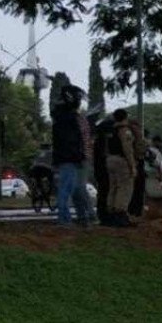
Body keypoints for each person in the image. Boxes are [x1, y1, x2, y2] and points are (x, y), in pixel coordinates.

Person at [50, 85, 93, 227]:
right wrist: (78, 156)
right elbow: (73, 141)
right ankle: (65, 219)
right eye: (78, 99)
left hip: (65, 157)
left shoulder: (61, 117)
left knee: (69, 188)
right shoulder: (70, 119)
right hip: (70, 158)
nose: (79, 102)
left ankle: (73, 218)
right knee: (67, 189)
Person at [105, 109, 137, 227]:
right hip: (121, 161)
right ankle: (120, 214)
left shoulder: (111, 130)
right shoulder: (125, 130)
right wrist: (132, 166)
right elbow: (127, 149)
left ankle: (111, 212)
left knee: (113, 187)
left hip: (110, 159)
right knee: (124, 187)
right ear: (125, 117)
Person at [127, 119, 148, 217]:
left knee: (135, 189)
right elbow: (142, 152)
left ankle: (133, 210)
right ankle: (136, 211)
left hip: (134, 165)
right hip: (136, 164)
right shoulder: (138, 139)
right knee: (137, 190)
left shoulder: (127, 136)